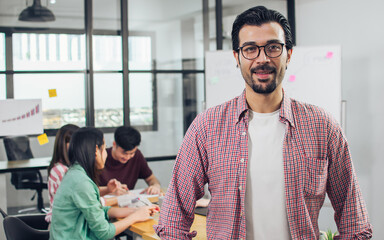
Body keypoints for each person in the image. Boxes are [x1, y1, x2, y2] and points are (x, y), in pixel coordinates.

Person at [155, 6, 372, 239]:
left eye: (273, 48)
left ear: (288, 54)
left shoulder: (323, 126)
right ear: (237, 57)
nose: (263, 59)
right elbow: (172, 222)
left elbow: (355, 223)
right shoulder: (206, 127)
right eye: (250, 49)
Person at [50, 127, 159, 239]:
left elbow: (99, 210)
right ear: (96, 151)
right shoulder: (82, 182)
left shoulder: (76, 173)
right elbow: (104, 232)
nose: (106, 154)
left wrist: (135, 211)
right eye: (104, 148)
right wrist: (135, 217)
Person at [45, 124, 127, 223]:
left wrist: (108, 190)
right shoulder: (64, 171)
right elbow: (87, 201)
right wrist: (120, 199)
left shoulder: (75, 169)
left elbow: (85, 194)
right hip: (64, 224)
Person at [99, 126, 161, 195]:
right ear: (114, 144)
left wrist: (155, 186)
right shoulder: (101, 157)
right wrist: (109, 191)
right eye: (124, 153)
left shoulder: (137, 155)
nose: (128, 157)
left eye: (131, 153)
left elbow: (151, 178)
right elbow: (90, 190)